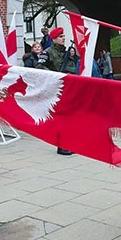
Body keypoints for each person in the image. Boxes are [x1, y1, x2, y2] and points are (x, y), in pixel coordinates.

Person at [37, 27, 76, 155]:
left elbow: (74, 67)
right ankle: (62, 145)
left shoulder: (67, 52)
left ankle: (70, 142)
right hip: (56, 88)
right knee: (61, 117)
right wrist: (55, 76)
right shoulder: (47, 52)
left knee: (70, 117)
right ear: (53, 39)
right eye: (60, 37)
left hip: (69, 86)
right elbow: (40, 67)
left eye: (64, 36)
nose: (63, 38)